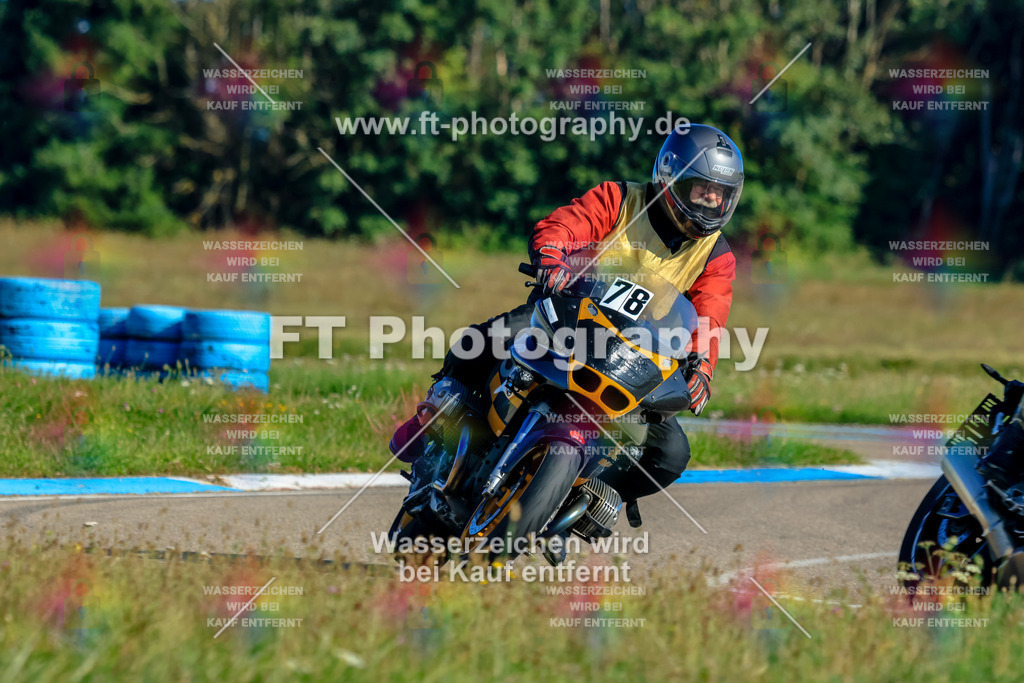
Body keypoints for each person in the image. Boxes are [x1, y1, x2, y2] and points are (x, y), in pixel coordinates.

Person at [391, 123, 744, 526]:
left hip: (636, 358)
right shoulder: (619, 199)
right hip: (565, 319)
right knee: (484, 339)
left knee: (670, 454)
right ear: (671, 177)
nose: (711, 202)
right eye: (702, 189)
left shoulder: (716, 255)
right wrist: (552, 257)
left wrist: (701, 365)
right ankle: (434, 414)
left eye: (721, 195)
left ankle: (579, 496)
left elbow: (709, 314)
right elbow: (563, 226)